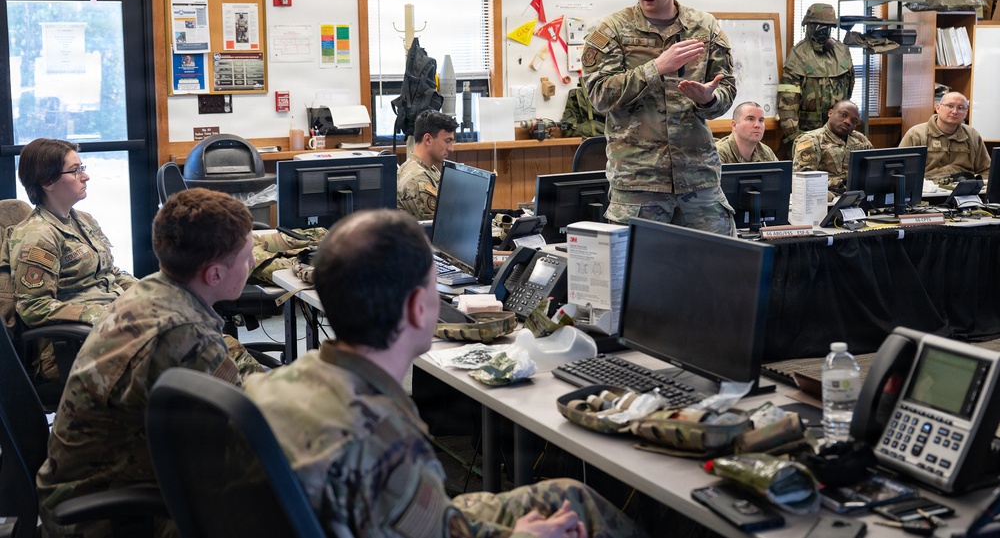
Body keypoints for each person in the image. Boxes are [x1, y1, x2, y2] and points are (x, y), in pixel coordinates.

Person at [244, 209, 648, 538]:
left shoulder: (269, 386)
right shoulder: (385, 438)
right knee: (578, 512)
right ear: (420, 307)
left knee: (568, 493)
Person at [37, 188, 262, 538]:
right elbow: (248, 435)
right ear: (215, 275)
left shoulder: (154, 290)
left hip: (104, 480)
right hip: (104, 517)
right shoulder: (181, 334)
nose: (251, 265)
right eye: (248, 257)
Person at [582, 0, 736, 236]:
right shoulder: (611, 30)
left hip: (699, 180)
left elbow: (726, 90)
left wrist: (708, 99)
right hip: (638, 183)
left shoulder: (704, 27)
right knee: (637, 279)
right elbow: (598, 95)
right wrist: (656, 68)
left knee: (715, 274)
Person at [3, 138, 135, 377]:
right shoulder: (37, 235)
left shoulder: (84, 220)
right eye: (75, 171)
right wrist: (97, 315)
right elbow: (33, 307)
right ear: (47, 181)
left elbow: (110, 273)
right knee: (186, 350)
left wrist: (151, 292)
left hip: (116, 323)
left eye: (82, 168)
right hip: (76, 345)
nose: (85, 177)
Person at [776, 3, 855, 146]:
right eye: (817, 25)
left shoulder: (842, 52)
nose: (822, 30)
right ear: (809, 26)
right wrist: (795, 138)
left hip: (840, 133)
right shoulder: (798, 55)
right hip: (807, 133)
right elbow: (787, 104)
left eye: (826, 26)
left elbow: (849, 91)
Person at [899, 91, 990, 182]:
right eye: (950, 106)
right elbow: (901, 170)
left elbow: (986, 170)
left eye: (960, 108)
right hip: (928, 191)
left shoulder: (972, 135)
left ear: (966, 113)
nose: (954, 111)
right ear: (938, 108)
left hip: (963, 191)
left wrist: (978, 186)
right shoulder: (916, 134)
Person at [792, 100, 873, 199]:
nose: (848, 122)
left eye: (854, 121)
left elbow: (874, 169)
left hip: (856, 196)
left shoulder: (859, 139)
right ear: (830, 113)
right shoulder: (811, 140)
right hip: (825, 198)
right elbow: (806, 180)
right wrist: (838, 184)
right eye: (843, 115)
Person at [397, 109, 459, 220]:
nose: (451, 148)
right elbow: (439, 229)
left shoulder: (427, 169)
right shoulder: (417, 180)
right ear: (428, 140)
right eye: (447, 141)